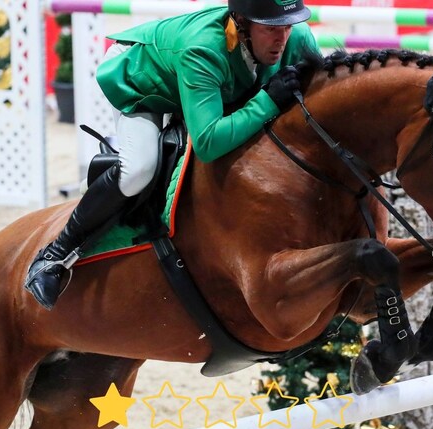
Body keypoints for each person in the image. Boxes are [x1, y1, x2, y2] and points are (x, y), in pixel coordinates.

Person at [24, 0, 321, 310]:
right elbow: (207, 142)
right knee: (139, 167)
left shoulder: (297, 37)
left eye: (286, 27)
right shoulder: (204, 49)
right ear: (242, 23)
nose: (281, 39)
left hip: (202, 79)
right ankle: (55, 256)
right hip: (143, 79)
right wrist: (267, 102)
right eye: (271, 29)